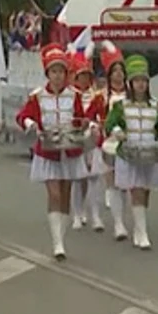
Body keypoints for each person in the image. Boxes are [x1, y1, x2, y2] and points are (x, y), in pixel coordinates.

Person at [17, 45, 90, 260]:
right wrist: (31, 123)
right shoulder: (37, 96)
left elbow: (80, 118)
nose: (58, 76)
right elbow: (22, 117)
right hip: (48, 151)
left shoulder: (74, 95)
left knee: (66, 195)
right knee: (55, 194)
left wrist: (85, 125)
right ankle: (56, 242)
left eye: (61, 71)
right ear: (47, 74)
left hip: (69, 150)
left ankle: (61, 236)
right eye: (53, 71)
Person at [103, 55, 158, 251]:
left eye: (144, 81)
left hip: (150, 153)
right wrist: (117, 132)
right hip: (129, 153)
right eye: (137, 81)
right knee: (136, 189)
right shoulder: (120, 106)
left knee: (145, 191)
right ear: (130, 83)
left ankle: (139, 228)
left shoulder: (156, 105)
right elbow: (109, 124)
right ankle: (142, 232)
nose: (140, 85)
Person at [70, 50, 108, 233]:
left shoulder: (97, 96)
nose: (84, 80)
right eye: (81, 76)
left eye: (87, 76)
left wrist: (94, 125)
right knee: (78, 179)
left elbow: (100, 115)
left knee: (95, 178)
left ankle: (96, 215)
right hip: (76, 139)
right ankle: (77, 214)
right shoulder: (70, 95)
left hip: (93, 140)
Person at [97, 41, 129, 239]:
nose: (118, 74)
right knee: (114, 181)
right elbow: (96, 116)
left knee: (126, 184)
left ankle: (123, 218)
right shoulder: (101, 96)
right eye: (114, 71)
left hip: (130, 142)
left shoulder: (133, 94)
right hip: (109, 142)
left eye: (121, 71)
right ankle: (118, 224)